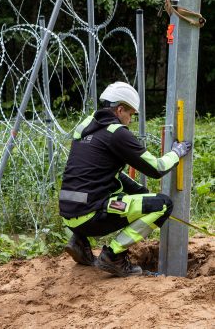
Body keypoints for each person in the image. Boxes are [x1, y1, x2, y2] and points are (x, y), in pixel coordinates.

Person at [59, 81, 192, 277]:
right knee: (163, 205)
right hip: (92, 215)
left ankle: (79, 241)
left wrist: (141, 193)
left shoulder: (85, 125)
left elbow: (102, 172)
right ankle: (113, 256)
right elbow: (156, 168)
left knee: (123, 195)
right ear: (120, 110)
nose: (130, 120)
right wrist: (176, 153)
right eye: (130, 114)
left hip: (68, 213)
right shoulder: (117, 133)